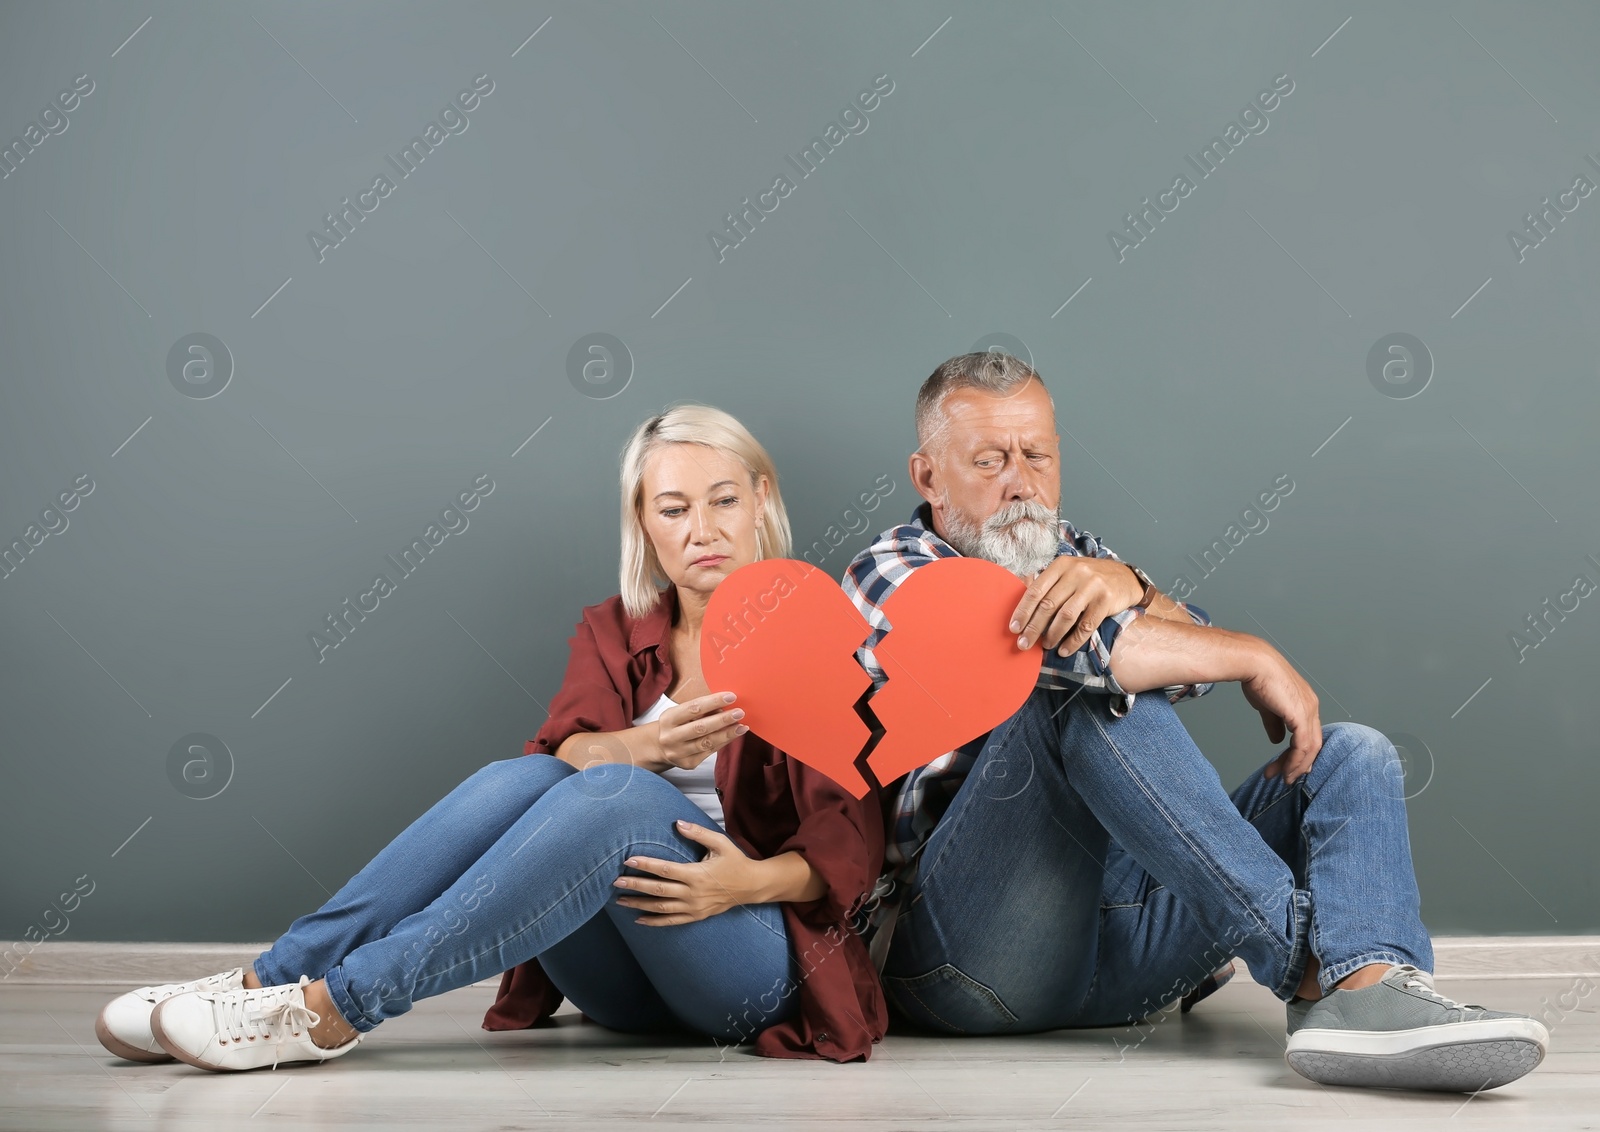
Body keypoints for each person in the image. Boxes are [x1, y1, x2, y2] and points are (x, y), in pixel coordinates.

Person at [95, 405, 886, 1072]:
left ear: (761, 499)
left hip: (747, 962)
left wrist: (736, 884)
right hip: (622, 979)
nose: (702, 530)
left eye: (723, 502)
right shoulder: (613, 630)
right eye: (673, 509)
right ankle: (266, 978)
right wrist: (653, 747)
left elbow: (849, 849)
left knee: (610, 792)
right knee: (525, 780)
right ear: (644, 523)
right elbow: (564, 754)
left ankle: (333, 1007)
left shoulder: (820, 640)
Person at [841, 350, 1548, 1093]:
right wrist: (1248, 653)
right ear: (928, 476)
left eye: (1038, 456)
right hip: (971, 963)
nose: (1021, 484)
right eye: (989, 460)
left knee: (1353, 755)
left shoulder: (1071, 552)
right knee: (1076, 695)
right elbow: (1114, 662)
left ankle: (1370, 987)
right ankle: (1317, 972)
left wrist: (1133, 585)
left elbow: (1177, 653)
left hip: (1123, 957)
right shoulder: (891, 571)